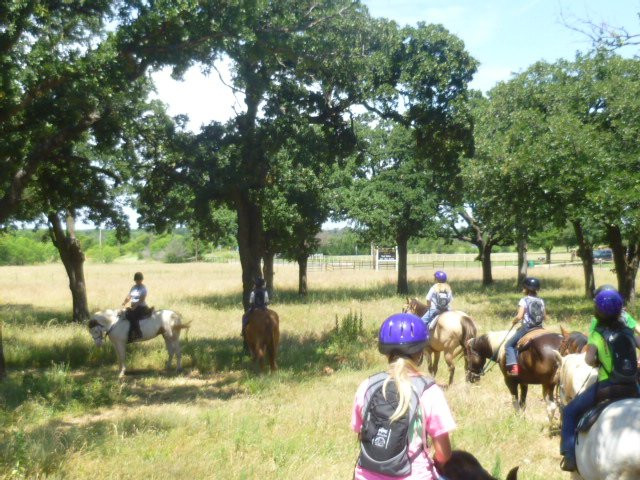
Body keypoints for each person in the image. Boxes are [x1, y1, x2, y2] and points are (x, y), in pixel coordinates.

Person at [351, 313, 455, 480]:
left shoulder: (367, 386)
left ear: (385, 352)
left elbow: (361, 434)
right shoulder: (428, 390)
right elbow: (444, 454)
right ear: (420, 352)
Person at [559, 289, 640, 472]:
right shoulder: (629, 331)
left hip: (607, 387)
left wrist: (597, 359)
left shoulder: (596, 333)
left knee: (570, 411)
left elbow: (588, 361)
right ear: (621, 310)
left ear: (598, 311)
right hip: (633, 387)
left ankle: (570, 455)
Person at [505, 277, 547, 376]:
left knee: (509, 345)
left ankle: (514, 369)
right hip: (540, 327)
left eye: (524, 288)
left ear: (526, 289)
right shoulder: (541, 301)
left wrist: (514, 321)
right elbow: (544, 316)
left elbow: (519, 316)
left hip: (528, 328)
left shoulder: (524, 300)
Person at [241, 277, 269, 352]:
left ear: (256, 285)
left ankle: (243, 330)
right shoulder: (265, 291)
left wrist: (253, 305)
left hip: (254, 308)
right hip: (263, 308)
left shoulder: (253, 292)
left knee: (244, 317)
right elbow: (266, 301)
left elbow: (251, 301)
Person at [121, 271, 151, 341]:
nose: (137, 282)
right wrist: (124, 302)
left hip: (141, 307)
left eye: (139, 280)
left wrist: (134, 307)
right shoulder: (133, 287)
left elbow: (141, 299)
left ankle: (138, 333)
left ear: (142, 280)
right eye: (136, 280)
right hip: (133, 306)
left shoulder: (144, 288)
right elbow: (129, 296)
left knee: (132, 316)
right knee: (124, 314)